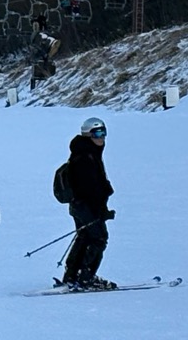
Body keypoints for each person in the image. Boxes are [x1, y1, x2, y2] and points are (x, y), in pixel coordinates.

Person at [61, 116, 115, 290]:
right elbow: (89, 188)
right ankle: (86, 276)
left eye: (103, 132)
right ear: (87, 134)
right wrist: (99, 210)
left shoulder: (88, 152)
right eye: (97, 133)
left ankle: (72, 275)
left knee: (85, 237)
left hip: (81, 205)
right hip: (85, 206)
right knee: (98, 238)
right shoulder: (85, 156)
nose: (102, 137)